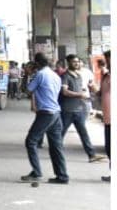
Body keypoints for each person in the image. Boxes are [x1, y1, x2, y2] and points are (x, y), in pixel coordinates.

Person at [22, 52, 68, 184]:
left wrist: (26, 74)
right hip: (56, 113)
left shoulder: (40, 75)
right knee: (56, 145)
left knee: (31, 141)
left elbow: (27, 91)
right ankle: (62, 176)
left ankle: (36, 173)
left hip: (46, 113)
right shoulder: (55, 75)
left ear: (36, 63)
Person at [59, 54, 104, 163]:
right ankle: (56, 153)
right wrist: (79, 95)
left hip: (79, 109)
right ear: (68, 63)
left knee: (84, 133)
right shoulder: (65, 76)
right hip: (67, 110)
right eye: (74, 62)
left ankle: (91, 155)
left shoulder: (78, 76)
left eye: (77, 62)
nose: (76, 63)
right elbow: (64, 91)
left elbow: (88, 87)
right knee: (60, 133)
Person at [101, 50, 111, 183]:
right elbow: (101, 93)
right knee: (109, 148)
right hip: (108, 118)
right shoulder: (107, 75)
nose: (108, 62)